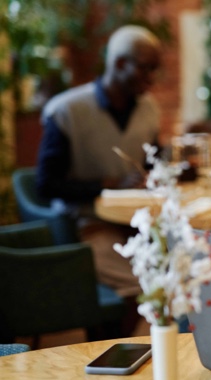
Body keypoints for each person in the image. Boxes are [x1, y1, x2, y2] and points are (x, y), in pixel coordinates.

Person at [36, 25, 161, 301]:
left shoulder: (148, 108)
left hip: (140, 225)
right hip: (88, 228)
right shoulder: (67, 111)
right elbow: (45, 185)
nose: (152, 79)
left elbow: (154, 161)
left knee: (186, 273)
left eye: (155, 69)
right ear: (119, 63)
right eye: (145, 68)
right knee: (158, 290)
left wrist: (161, 173)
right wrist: (110, 185)